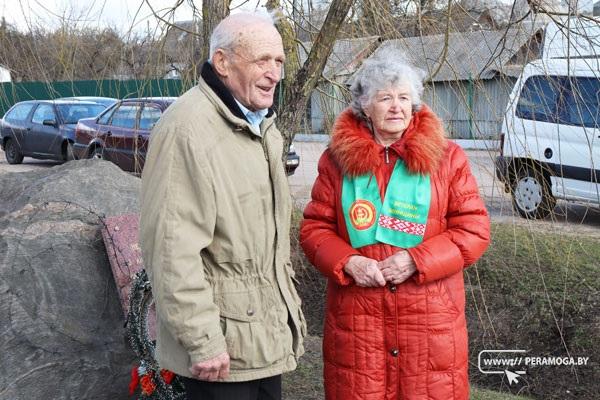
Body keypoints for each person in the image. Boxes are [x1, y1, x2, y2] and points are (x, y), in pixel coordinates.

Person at [300, 48, 491, 400]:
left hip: (430, 323)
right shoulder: (336, 161)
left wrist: (416, 261)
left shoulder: (448, 159)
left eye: (404, 98)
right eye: (385, 98)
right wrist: (349, 262)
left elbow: (473, 230)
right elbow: (315, 229)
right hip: (359, 323)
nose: (396, 107)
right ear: (364, 106)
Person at [139, 12, 306, 400]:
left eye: (279, 61)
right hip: (222, 348)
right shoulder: (187, 129)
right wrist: (203, 338)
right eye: (262, 60)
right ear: (223, 63)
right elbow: (170, 249)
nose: (274, 73)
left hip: (262, 337)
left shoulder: (261, 126)